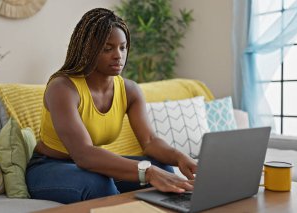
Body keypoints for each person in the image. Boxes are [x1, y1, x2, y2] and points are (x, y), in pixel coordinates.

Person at [26, 7, 198, 204]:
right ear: (88, 50)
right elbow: (83, 155)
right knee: (99, 183)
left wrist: (180, 158)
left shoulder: (130, 90)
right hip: (49, 168)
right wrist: (148, 172)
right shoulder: (63, 88)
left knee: (164, 168)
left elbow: (149, 141)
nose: (118, 55)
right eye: (108, 49)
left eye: (123, 47)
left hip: (89, 165)